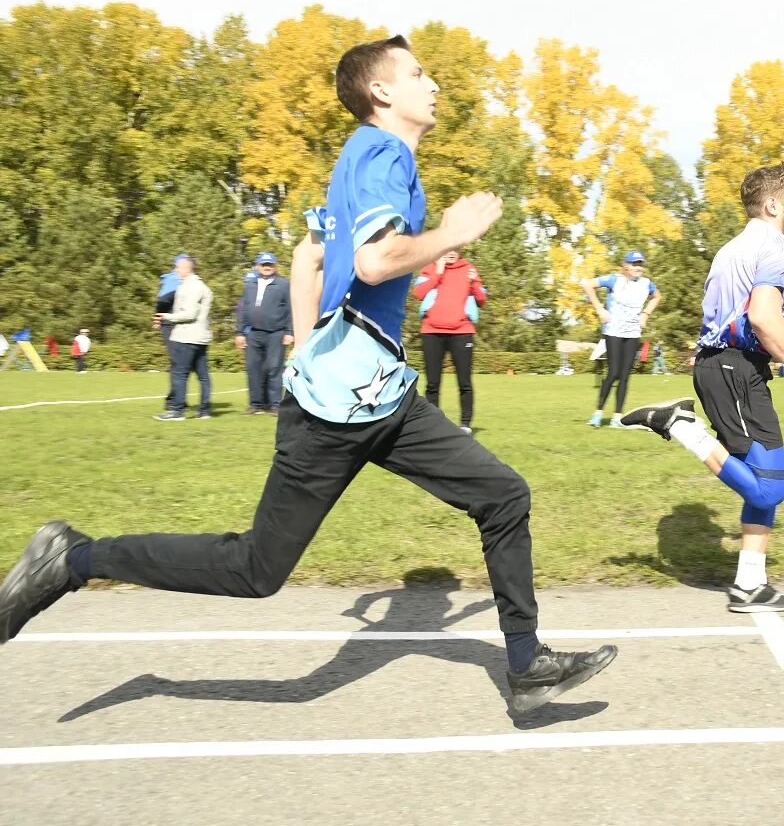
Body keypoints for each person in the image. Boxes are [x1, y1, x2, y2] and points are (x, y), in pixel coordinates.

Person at [0, 35, 614, 714]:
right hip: (335, 409)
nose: (433, 83)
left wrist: (300, 346)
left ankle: (527, 668)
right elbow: (378, 262)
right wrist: (452, 233)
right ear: (381, 92)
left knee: (502, 495)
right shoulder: (379, 153)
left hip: (380, 394)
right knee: (255, 569)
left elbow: (307, 255)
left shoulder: (363, 161)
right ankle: (74, 558)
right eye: (417, 73)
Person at [620, 162, 784, 613]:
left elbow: (742, 321)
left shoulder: (732, 248)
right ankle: (680, 425)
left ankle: (749, 584)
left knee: (764, 477)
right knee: (768, 490)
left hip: (725, 367)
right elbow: (761, 317)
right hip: (733, 370)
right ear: (774, 204)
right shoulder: (778, 248)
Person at [581, 251, 661, 428]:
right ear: (625, 265)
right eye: (634, 264)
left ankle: (617, 417)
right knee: (613, 373)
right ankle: (598, 413)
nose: (638, 267)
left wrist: (645, 314)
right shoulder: (613, 280)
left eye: (640, 264)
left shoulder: (646, 284)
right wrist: (600, 309)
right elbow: (586, 284)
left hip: (633, 333)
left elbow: (657, 296)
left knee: (625, 376)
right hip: (613, 331)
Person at [412, 248, 487, 433]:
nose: (451, 253)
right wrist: (438, 273)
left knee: (464, 382)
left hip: (461, 332)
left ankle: (465, 425)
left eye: (456, 249)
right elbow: (418, 293)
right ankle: (433, 425)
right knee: (432, 383)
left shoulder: (469, 268)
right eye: (448, 249)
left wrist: (474, 284)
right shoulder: (430, 268)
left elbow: (482, 299)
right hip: (431, 332)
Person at [153, 257, 213, 421]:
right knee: (203, 375)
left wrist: (168, 317)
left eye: (177, 268)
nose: (176, 271)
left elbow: (189, 313)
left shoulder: (191, 286)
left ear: (186, 268)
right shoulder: (201, 286)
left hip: (187, 336)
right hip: (200, 337)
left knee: (179, 373)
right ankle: (205, 410)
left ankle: (177, 411)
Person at [235, 252, 295, 416]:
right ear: (258, 266)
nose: (267, 267)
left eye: (270, 264)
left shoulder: (283, 284)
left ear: (275, 266)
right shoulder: (250, 284)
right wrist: (240, 332)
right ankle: (256, 404)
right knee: (253, 369)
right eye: (263, 264)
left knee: (274, 368)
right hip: (253, 333)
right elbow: (243, 309)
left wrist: (290, 331)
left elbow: (290, 308)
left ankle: (275, 405)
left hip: (276, 333)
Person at [155, 255, 186, 349]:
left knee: (179, 357)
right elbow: (163, 300)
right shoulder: (173, 279)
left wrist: (157, 319)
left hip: (177, 322)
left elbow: (161, 301)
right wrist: (157, 319)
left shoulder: (182, 279)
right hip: (172, 323)